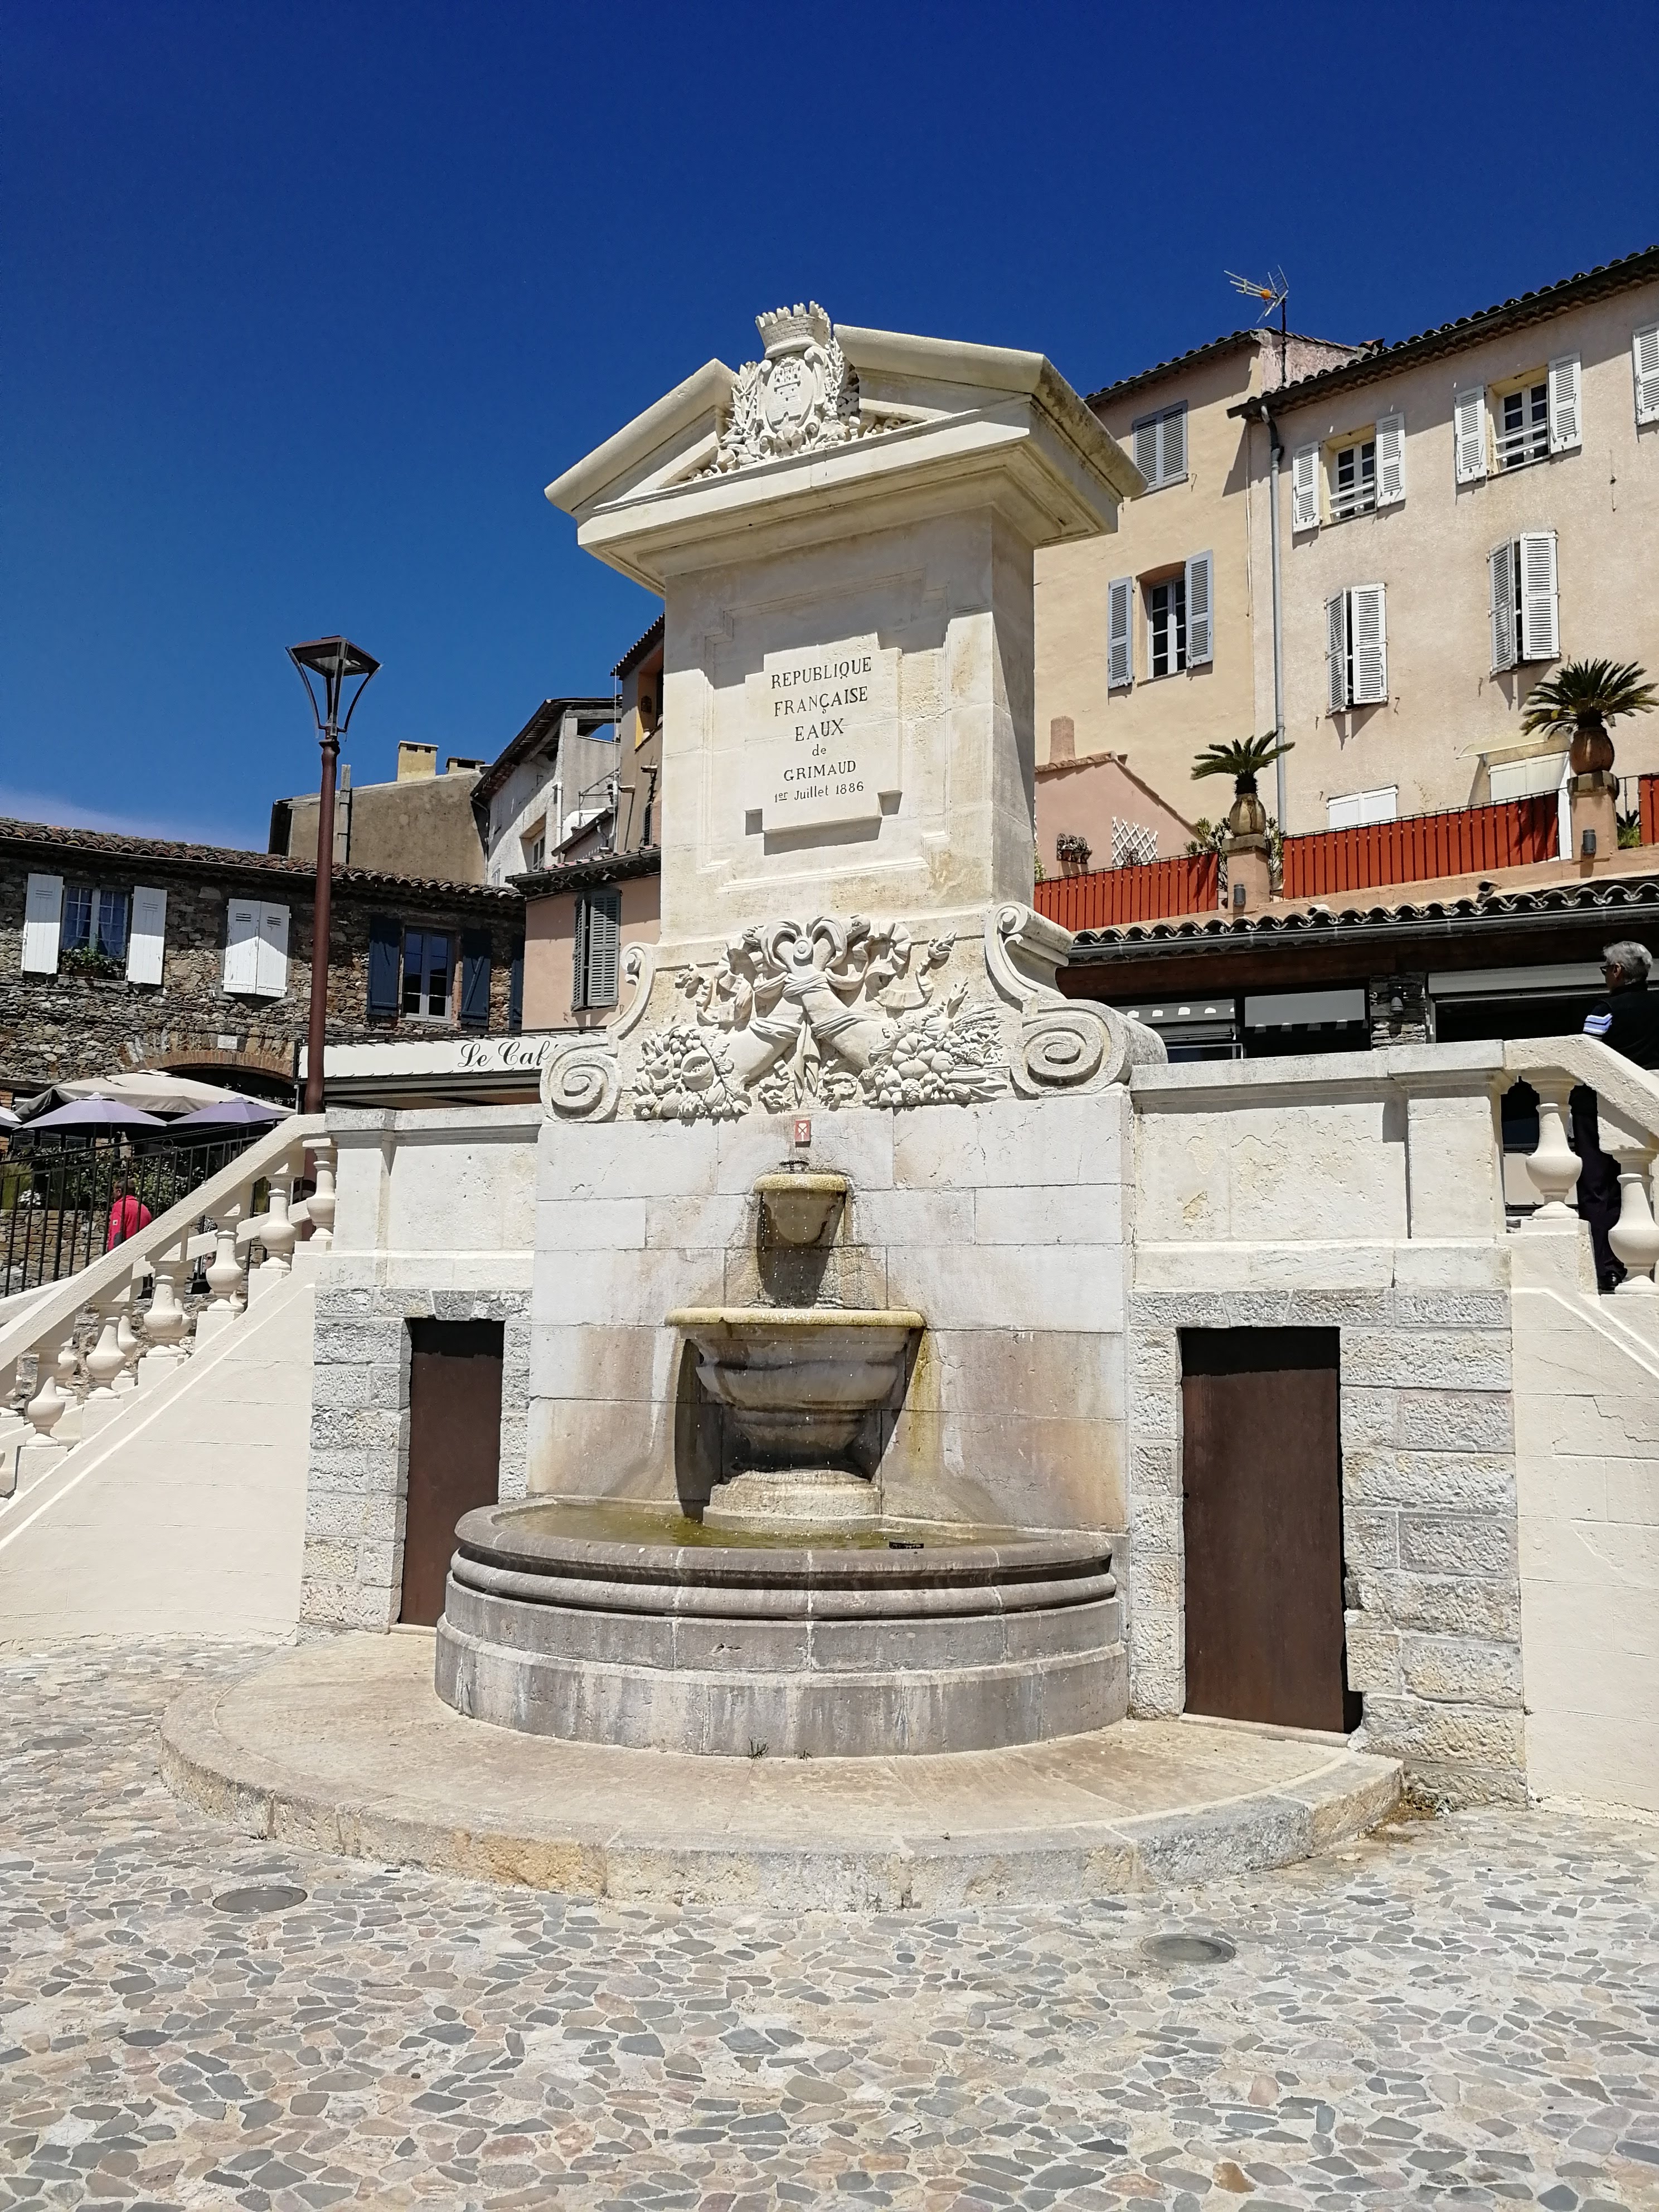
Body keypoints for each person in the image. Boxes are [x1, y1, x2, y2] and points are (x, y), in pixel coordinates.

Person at [1572, 939, 1659, 1292]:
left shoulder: (1604, 1010)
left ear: (1618, 972)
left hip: (1596, 1107)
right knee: (1636, 1185)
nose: (1606, 975)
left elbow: (1584, 1058)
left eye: (1606, 969)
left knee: (1597, 1188)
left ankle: (1607, 1268)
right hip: (1646, 1107)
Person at [105, 1179, 152, 1251]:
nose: (113, 1194)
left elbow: (117, 1235)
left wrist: (112, 1253)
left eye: (114, 1191)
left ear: (119, 1192)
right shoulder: (144, 1209)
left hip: (124, 1252)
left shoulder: (120, 1207)